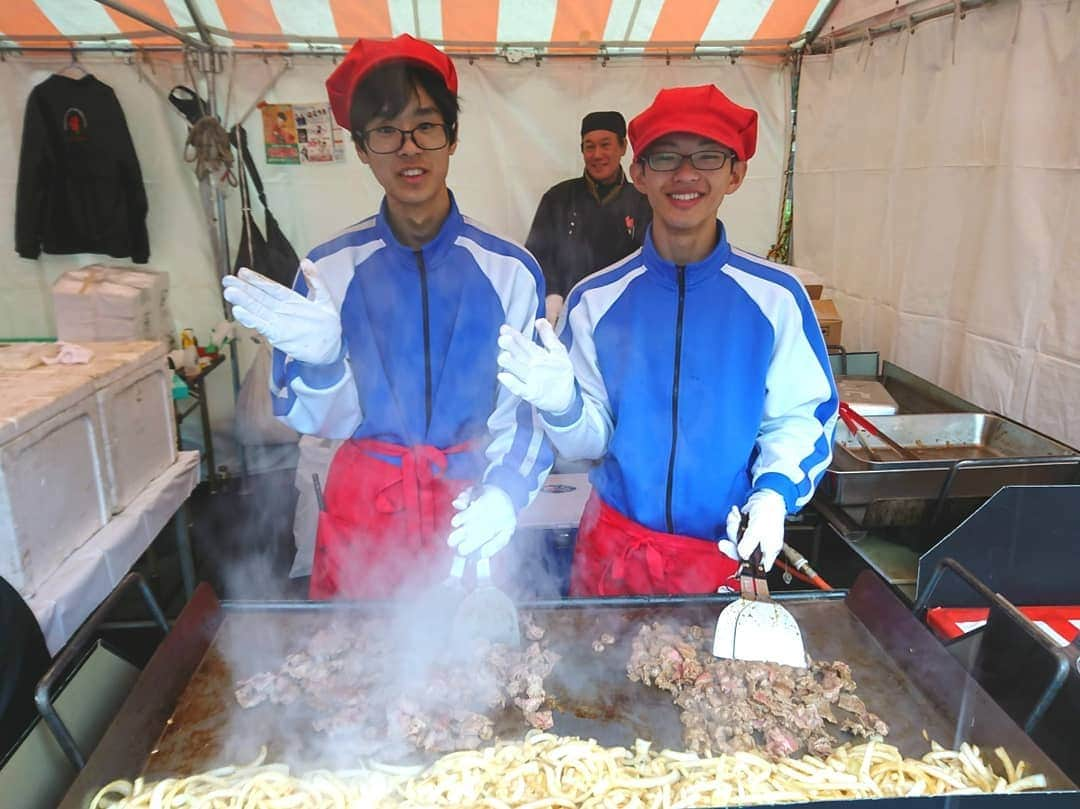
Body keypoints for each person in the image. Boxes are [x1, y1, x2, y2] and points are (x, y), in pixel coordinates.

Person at [223, 34, 552, 599]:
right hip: (366, 511)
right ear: (361, 147)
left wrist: (507, 491)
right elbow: (314, 418)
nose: (408, 147)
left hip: (470, 505)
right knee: (356, 670)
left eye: (426, 125)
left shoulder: (510, 271)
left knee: (481, 671)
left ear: (452, 138)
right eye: (385, 130)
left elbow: (523, 417)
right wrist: (324, 361)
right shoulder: (329, 271)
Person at [496, 85, 838, 596]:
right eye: (665, 156)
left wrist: (773, 493)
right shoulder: (595, 300)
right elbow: (591, 444)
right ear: (640, 174)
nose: (685, 174)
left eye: (707, 156)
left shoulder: (776, 299)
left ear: (736, 173)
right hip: (614, 550)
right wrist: (562, 405)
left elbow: (801, 414)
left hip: (721, 553)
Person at [525, 111, 652, 323]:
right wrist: (552, 297)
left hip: (626, 316)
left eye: (605, 144)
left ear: (623, 147)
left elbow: (652, 260)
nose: (597, 154)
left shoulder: (643, 201)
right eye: (589, 146)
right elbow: (538, 256)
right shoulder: (558, 197)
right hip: (566, 314)